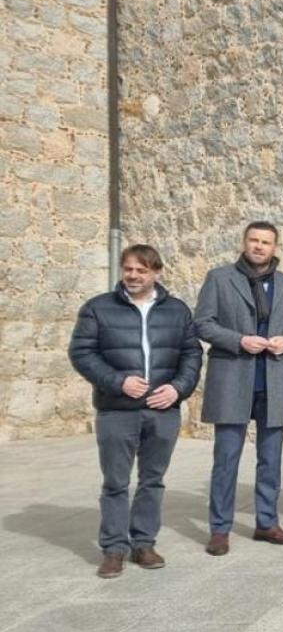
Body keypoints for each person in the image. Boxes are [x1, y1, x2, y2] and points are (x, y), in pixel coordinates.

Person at [68, 245, 202, 578]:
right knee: (115, 482)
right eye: (128, 269)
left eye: (141, 270)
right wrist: (118, 382)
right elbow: (82, 353)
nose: (133, 275)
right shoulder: (98, 308)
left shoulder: (177, 310)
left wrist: (178, 388)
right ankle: (114, 549)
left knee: (152, 481)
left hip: (162, 410)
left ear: (156, 272)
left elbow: (192, 354)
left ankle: (143, 543)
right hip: (117, 410)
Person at [195, 221, 283, 556]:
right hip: (232, 379)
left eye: (266, 242)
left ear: (275, 247)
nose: (260, 246)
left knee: (270, 460)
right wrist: (240, 340)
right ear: (244, 242)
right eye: (254, 240)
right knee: (226, 458)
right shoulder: (220, 278)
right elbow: (202, 323)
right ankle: (220, 529)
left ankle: (267, 522)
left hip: (273, 380)